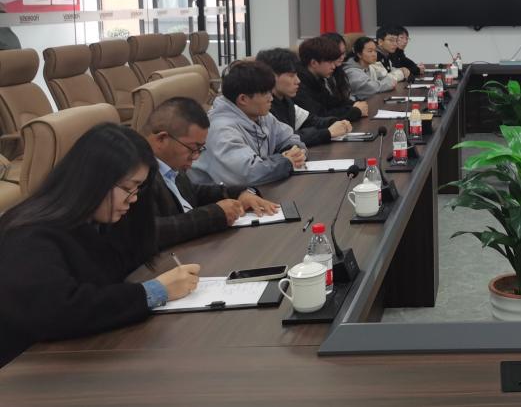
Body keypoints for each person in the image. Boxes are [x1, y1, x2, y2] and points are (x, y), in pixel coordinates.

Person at [0, 123, 200, 367]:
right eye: (128, 188)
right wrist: (154, 292)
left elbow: (121, 265)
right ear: (92, 180)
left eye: (138, 188)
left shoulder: (93, 221)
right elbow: (57, 311)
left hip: (75, 355)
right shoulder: (29, 235)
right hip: (25, 369)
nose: (134, 198)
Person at [143, 96, 279, 249]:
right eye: (192, 148)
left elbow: (193, 192)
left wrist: (239, 193)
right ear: (162, 139)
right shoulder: (136, 173)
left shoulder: (170, 163)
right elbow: (150, 231)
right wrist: (215, 215)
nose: (196, 156)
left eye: (200, 149)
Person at [188, 60, 306, 188]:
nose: (271, 98)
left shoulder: (260, 115)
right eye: (265, 93)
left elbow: (290, 138)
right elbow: (247, 174)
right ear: (243, 99)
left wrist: (294, 152)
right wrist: (285, 161)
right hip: (220, 196)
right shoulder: (221, 129)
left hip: (257, 189)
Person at [257, 47, 353, 146]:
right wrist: (327, 133)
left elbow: (310, 121)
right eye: (291, 76)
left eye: (296, 75)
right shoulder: (263, 106)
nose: (298, 81)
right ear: (271, 76)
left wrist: (335, 122)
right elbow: (285, 138)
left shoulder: (286, 100)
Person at [295, 36, 367, 123]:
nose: (334, 66)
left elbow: (332, 102)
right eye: (330, 62)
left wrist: (354, 104)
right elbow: (319, 115)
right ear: (314, 63)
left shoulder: (317, 78)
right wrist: (355, 111)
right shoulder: (298, 84)